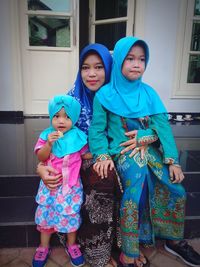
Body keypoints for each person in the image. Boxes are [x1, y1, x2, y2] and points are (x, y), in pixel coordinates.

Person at [88, 36, 200, 267]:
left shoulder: (149, 94)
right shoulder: (105, 95)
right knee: (135, 186)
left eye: (142, 59)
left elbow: (163, 129)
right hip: (122, 153)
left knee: (176, 188)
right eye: (130, 59)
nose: (136, 64)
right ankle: (129, 251)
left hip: (150, 151)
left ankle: (174, 240)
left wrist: (173, 161)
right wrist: (101, 154)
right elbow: (97, 131)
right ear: (118, 61)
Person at [36, 43, 124, 267]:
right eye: (86, 67)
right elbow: (52, 141)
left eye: (99, 67)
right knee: (102, 183)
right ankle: (98, 253)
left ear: (109, 68)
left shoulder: (120, 97)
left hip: (115, 154)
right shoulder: (70, 101)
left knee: (128, 175)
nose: (92, 74)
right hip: (77, 164)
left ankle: (129, 247)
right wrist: (40, 167)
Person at [33, 95, 88, 267]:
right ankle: (43, 246)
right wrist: (48, 145)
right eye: (57, 116)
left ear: (75, 118)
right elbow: (41, 156)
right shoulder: (46, 135)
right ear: (51, 117)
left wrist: (103, 153)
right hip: (50, 186)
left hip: (70, 187)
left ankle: (72, 245)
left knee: (71, 217)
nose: (61, 121)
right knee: (46, 218)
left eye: (67, 116)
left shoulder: (79, 137)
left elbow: (86, 155)